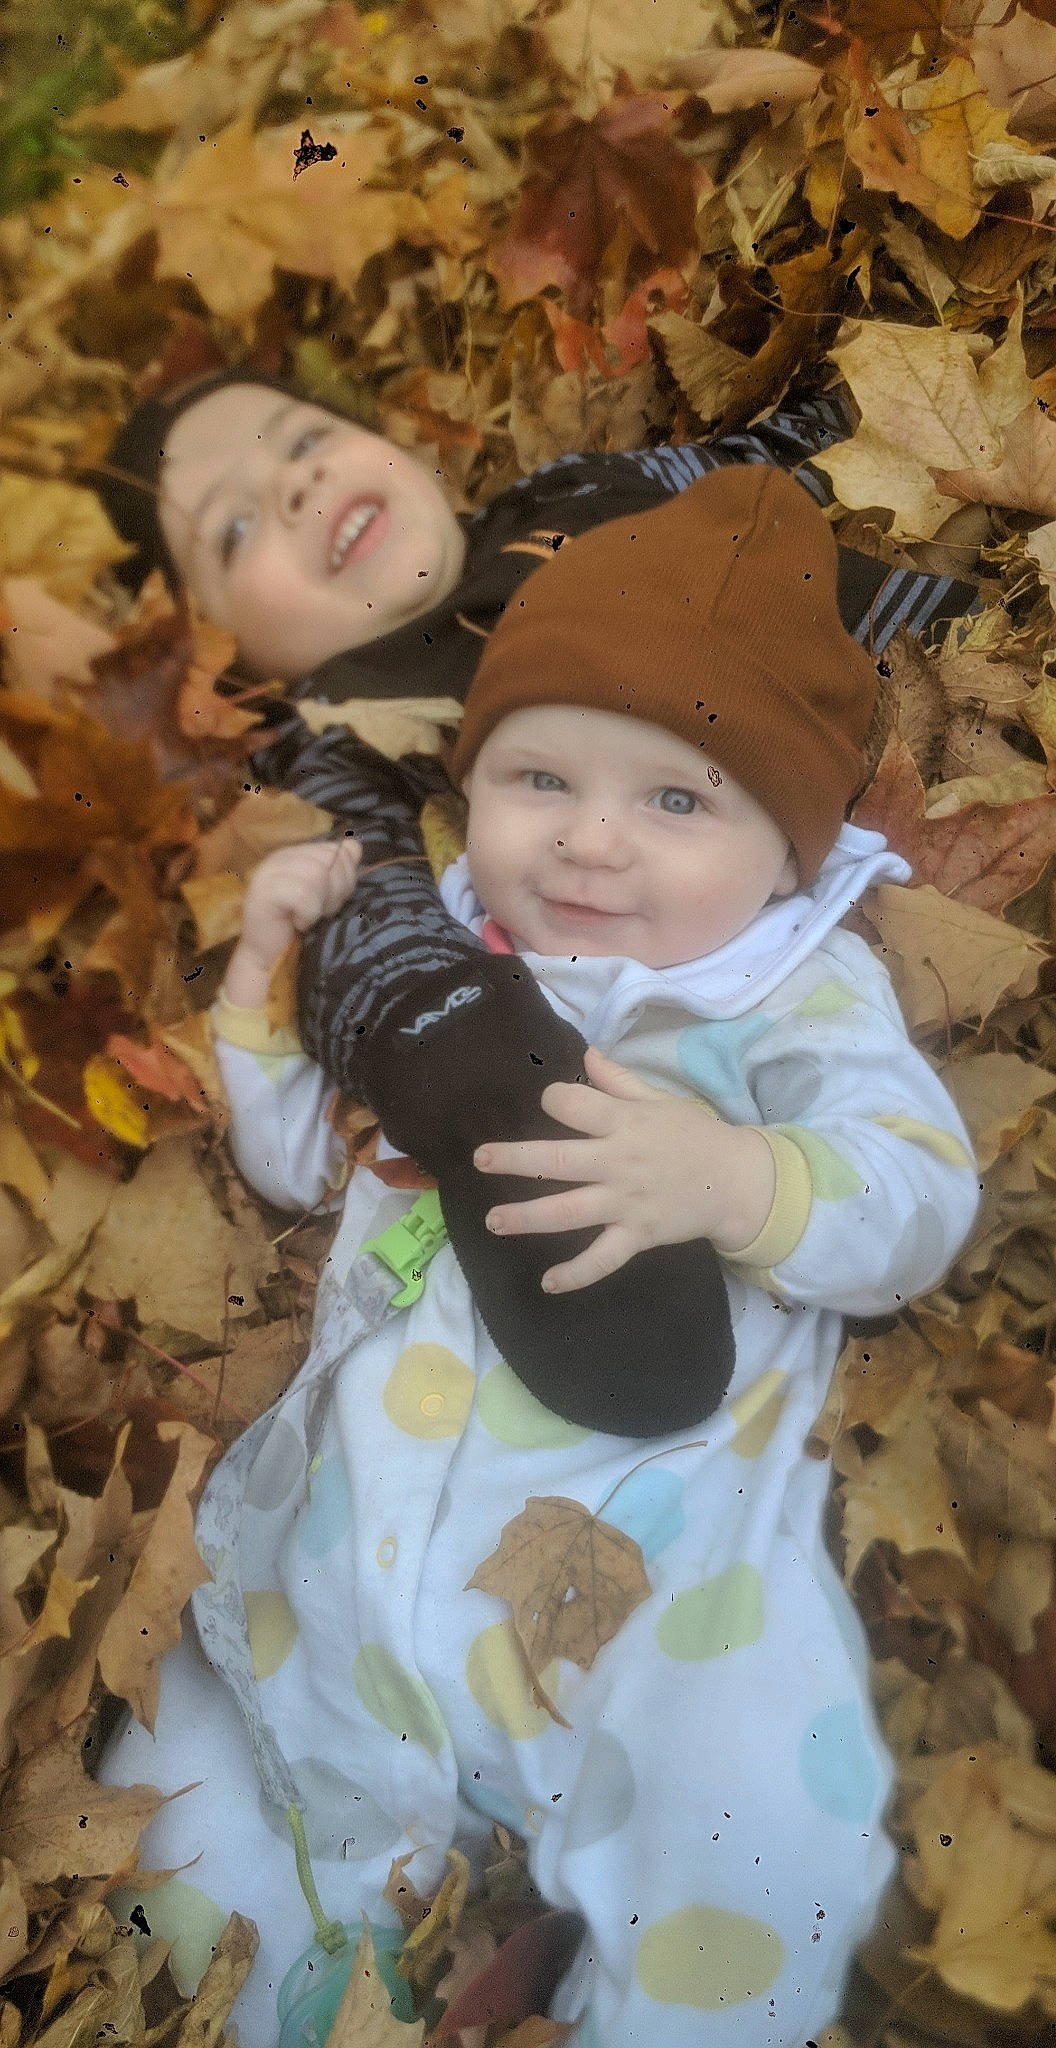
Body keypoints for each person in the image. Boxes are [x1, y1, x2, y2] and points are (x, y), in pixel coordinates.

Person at [101, 465, 981, 2048]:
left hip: (663, 1557)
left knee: (752, 1800)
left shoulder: (785, 999)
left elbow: (912, 1198)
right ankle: (276, 1996)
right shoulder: (456, 971)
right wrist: (261, 981)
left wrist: (736, 1177)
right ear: (475, 787)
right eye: (537, 779)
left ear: (785, 852)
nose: (588, 843)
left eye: (674, 802)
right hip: (360, 1535)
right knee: (199, 1772)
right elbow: (303, 1156)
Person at [95, 376, 980, 1435]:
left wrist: (845, 408)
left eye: (305, 440)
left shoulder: (570, 494)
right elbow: (371, 950)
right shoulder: (326, 744)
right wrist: (324, 1009)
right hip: (434, 1386)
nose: (296, 490)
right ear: (214, 646)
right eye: (236, 526)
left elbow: (754, 463)